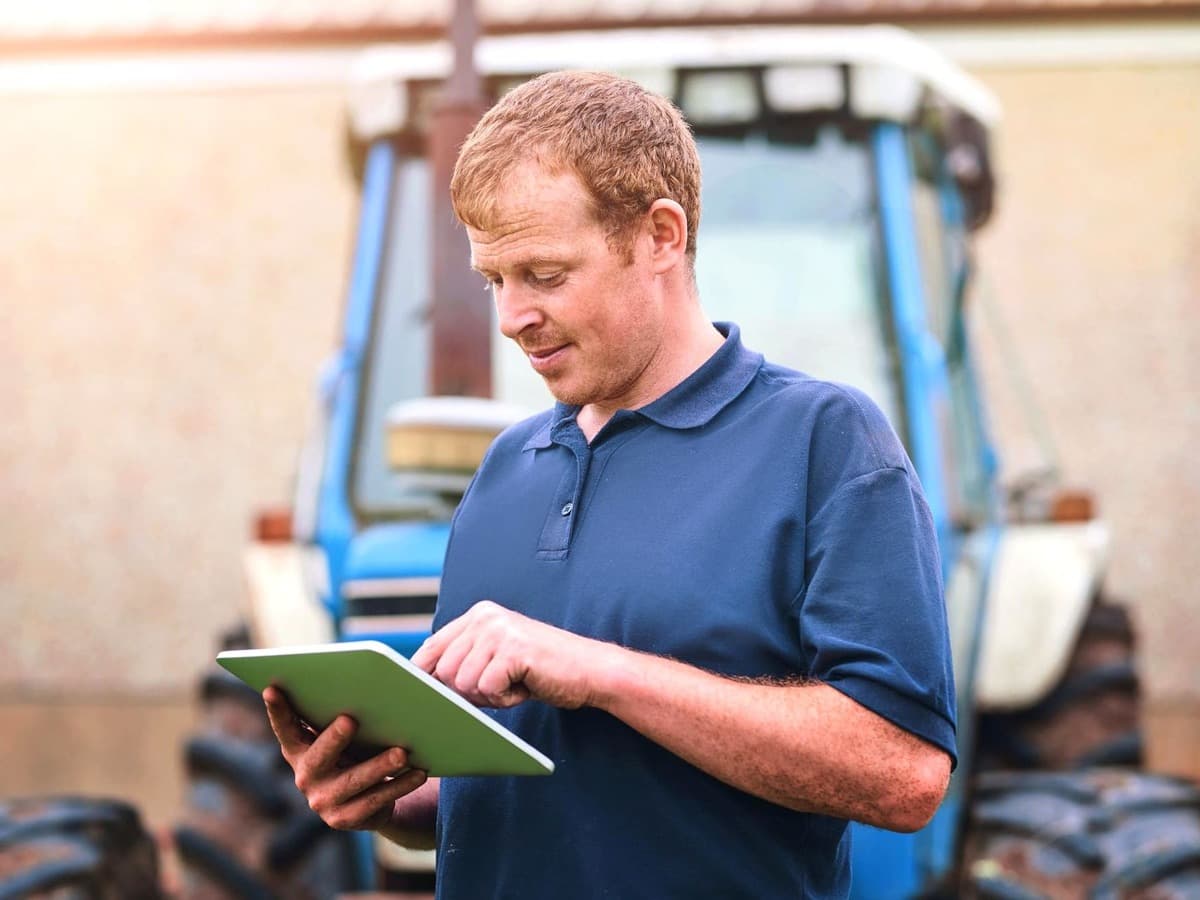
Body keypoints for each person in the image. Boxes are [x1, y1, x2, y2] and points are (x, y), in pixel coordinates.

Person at [265, 70, 956, 898]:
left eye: (545, 275)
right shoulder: (505, 472)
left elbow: (904, 773)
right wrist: (386, 797)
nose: (511, 316)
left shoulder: (824, 442)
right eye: (495, 279)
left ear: (661, 236)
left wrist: (602, 672)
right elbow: (511, 787)